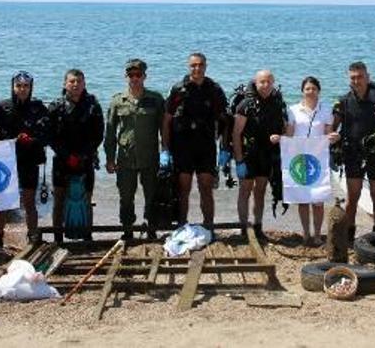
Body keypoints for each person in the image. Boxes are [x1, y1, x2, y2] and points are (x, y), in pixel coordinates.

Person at [0, 71, 50, 251]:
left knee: (29, 202)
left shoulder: (38, 108)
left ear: (31, 87)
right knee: (2, 201)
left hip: (29, 161)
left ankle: (32, 236)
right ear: (13, 86)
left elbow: (47, 135)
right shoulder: (2, 107)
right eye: (18, 86)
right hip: (6, 162)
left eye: (26, 86)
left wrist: (33, 140)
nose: (22, 89)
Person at [333, 61, 375, 241]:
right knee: (353, 196)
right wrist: (332, 141)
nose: (357, 81)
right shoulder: (343, 102)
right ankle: (349, 234)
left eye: (360, 77)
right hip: (352, 154)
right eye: (353, 78)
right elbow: (332, 129)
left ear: (367, 77)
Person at [162, 53, 228, 232]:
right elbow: (166, 120)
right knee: (183, 188)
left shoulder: (214, 89)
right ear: (188, 66)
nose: (196, 69)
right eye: (193, 65)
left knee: (206, 187)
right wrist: (165, 149)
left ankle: (209, 226)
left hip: (206, 146)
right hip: (182, 146)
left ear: (205, 66)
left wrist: (224, 148)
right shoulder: (178, 89)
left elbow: (224, 120)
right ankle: (182, 225)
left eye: (200, 65)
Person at [105, 59, 165, 240]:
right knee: (125, 196)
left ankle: (151, 228)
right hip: (125, 158)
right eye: (131, 75)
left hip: (150, 158)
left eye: (138, 75)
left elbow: (164, 129)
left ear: (144, 76)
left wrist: (166, 153)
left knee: (152, 195)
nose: (134, 78)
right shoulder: (117, 101)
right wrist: (109, 158)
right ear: (126, 77)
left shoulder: (155, 99)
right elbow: (110, 132)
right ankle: (127, 229)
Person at [48, 69, 104, 242]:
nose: (75, 85)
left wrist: (84, 155)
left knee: (86, 198)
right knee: (59, 199)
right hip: (62, 160)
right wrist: (66, 156)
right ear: (65, 84)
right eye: (72, 81)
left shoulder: (93, 104)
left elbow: (99, 134)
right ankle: (58, 237)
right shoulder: (56, 106)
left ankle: (87, 235)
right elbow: (50, 136)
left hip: (85, 159)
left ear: (84, 84)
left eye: (79, 81)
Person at [284, 76, 339, 245]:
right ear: (302, 91)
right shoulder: (293, 110)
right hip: (299, 158)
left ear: (319, 91)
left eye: (313, 88)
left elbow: (328, 133)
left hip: (318, 158)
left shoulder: (326, 109)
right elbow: (289, 134)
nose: (310, 91)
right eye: (307, 89)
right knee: (302, 199)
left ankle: (317, 235)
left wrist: (334, 137)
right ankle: (305, 234)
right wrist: (281, 140)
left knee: (317, 199)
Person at [232, 70, 286, 240]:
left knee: (260, 191)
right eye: (262, 81)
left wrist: (281, 139)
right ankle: (243, 228)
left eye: (269, 81)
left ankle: (257, 227)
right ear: (256, 83)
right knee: (245, 191)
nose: (265, 85)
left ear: (273, 82)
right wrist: (239, 159)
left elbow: (285, 129)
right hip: (248, 154)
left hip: (267, 154)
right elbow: (236, 133)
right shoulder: (245, 105)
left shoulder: (277, 103)